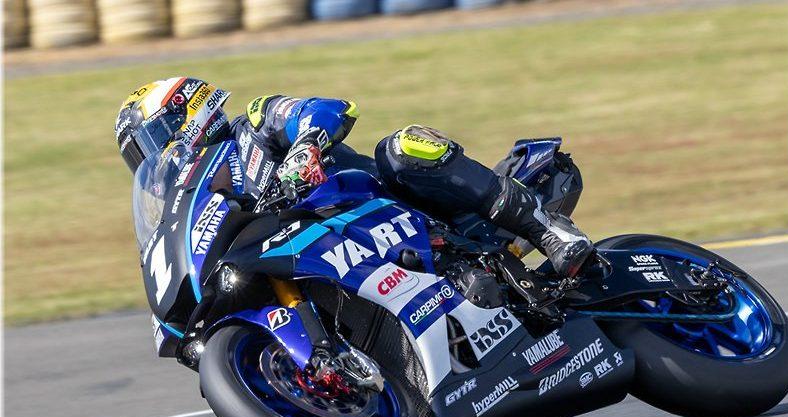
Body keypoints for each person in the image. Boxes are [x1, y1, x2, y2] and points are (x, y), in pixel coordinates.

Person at [115, 77, 593, 277]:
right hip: (334, 258)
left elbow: (328, 109)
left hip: (388, 206)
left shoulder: (255, 123)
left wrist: (304, 148)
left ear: (187, 112)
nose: (151, 160)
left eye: (150, 142)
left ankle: (545, 228)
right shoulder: (210, 201)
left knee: (402, 147)